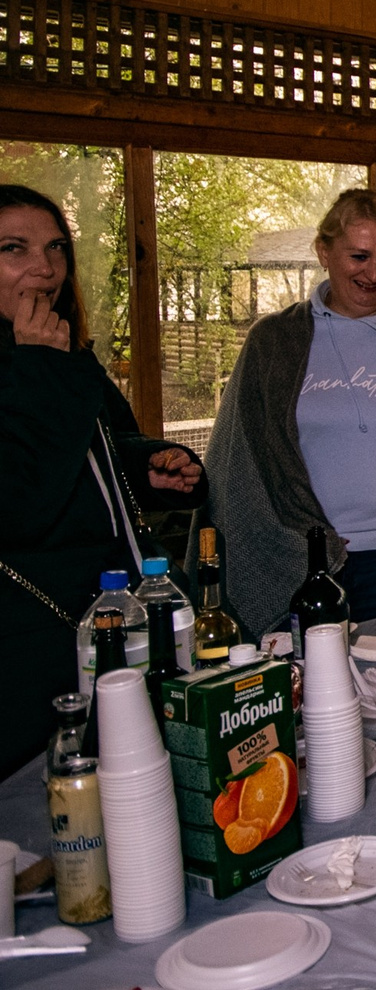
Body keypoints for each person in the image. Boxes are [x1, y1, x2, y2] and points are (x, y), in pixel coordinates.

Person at [204, 189, 376, 635]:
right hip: (310, 563)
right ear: (324, 252)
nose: (373, 273)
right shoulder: (275, 341)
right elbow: (239, 461)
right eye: (359, 256)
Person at [0, 184, 204, 775]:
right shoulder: (39, 357)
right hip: (30, 641)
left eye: (56, 248)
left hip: (114, 614)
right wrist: (37, 365)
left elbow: (95, 456)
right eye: (15, 249)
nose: (45, 268)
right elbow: (19, 503)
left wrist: (154, 467)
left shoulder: (66, 349)